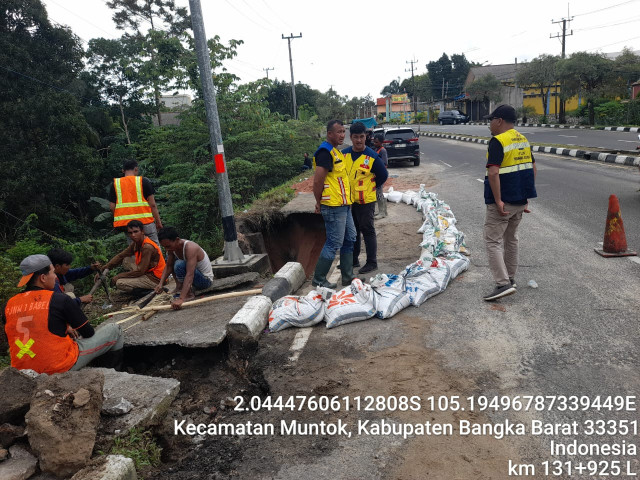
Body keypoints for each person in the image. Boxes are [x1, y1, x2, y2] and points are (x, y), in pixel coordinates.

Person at [4, 254, 123, 374]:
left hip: (22, 370)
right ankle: (113, 372)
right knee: (115, 329)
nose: (55, 277)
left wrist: (64, 327)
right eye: (53, 273)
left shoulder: (9, 304)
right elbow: (88, 333)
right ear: (43, 278)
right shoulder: (59, 299)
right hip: (56, 367)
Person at [482, 105, 537, 301]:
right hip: (520, 200)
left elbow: (494, 172)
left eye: (491, 120)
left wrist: (497, 200)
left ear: (499, 121)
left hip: (503, 202)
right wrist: (526, 195)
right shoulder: (522, 139)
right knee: (511, 239)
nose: (489, 124)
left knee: (493, 241)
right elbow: (532, 168)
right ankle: (511, 279)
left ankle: (502, 283)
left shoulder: (498, 141)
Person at [311, 119, 356, 288]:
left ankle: (348, 276)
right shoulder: (325, 153)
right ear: (329, 134)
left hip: (344, 205)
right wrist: (318, 202)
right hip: (333, 206)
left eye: (343, 132)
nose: (342, 135)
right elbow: (317, 182)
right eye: (339, 132)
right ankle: (319, 280)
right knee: (334, 242)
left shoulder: (336, 152)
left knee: (350, 238)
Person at [342, 122, 388, 274]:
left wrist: (372, 188)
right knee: (353, 231)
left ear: (366, 136)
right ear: (351, 138)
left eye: (362, 137)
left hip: (366, 201)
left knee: (367, 230)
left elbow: (383, 175)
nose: (359, 140)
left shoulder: (372, 156)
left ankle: (371, 262)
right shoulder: (345, 154)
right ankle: (354, 260)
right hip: (350, 201)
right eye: (356, 137)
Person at [155, 227, 214, 310]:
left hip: (205, 281)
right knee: (170, 260)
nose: (167, 249)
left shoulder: (190, 248)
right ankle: (180, 287)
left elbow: (190, 274)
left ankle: (188, 294)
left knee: (179, 264)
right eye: (165, 247)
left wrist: (181, 299)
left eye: (168, 246)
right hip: (194, 279)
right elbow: (168, 266)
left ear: (177, 239)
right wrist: (160, 284)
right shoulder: (172, 248)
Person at [100, 220, 166, 293]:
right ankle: (140, 285)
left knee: (120, 283)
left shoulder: (147, 247)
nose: (133, 235)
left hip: (156, 279)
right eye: (130, 233)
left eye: (136, 232)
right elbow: (121, 256)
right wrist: (105, 267)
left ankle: (146, 291)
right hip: (146, 272)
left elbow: (140, 271)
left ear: (142, 232)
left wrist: (119, 276)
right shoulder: (136, 243)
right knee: (126, 260)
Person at [109, 159, 163, 245]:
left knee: (135, 250)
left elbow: (112, 207)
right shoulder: (143, 181)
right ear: (136, 169)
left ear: (123, 170)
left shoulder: (116, 184)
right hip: (146, 222)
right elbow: (152, 205)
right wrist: (158, 222)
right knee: (154, 248)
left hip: (128, 225)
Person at [373, 133, 389, 219]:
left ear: (381, 142)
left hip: (380, 175)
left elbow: (385, 163)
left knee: (379, 193)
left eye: (376, 142)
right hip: (376, 174)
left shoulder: (382, 151)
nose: (375, 143)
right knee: (379, 193)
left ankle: (382, 212)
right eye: (374, 142)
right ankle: (383, 211)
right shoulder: (376, 149)